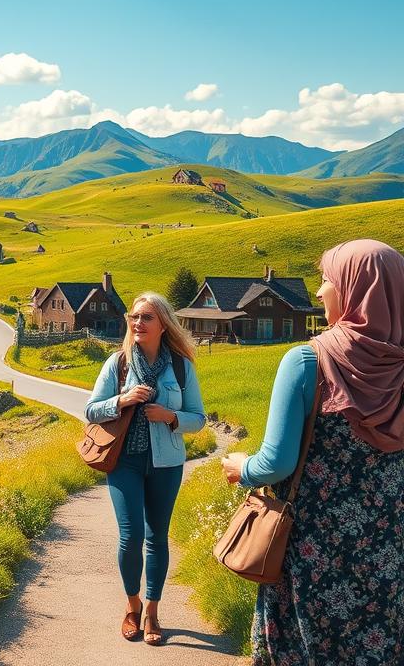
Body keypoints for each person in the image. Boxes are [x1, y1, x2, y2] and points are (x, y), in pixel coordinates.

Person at [222, 239, 404, 664]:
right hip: (389, 552)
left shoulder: (308, 362)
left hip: (312, 551)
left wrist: (239, 467)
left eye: (328, 280)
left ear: (356, 288)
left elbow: (277, 462)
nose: (320, 292)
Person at [85, 292, 205, 646]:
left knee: (157, 538)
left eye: (146, 318)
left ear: (163, 324)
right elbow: (91, 410)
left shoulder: (181, 366)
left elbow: (198, 418)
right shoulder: (118, 363)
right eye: (134, 317)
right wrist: (122, 400)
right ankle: (132, 606)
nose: (138, 323)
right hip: (124, 462)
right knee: (131, 535)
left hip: (166, 464)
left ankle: (153, 610)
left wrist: (170, 417)